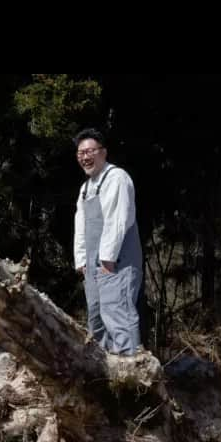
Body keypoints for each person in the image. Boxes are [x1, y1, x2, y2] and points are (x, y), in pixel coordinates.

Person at [73, 128, 143, 356]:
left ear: (103, 153)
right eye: (80, 153)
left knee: (118, 314)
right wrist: (82, 260)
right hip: (93, 267)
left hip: (116, 263)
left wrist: (107, 260)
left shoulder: (116, 178)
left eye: (90, 151)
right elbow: (81, 227)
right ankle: (106, 375)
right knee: (96, 318)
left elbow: (117, 221)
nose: (85, 157)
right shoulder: (85, 188)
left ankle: (132, 373)